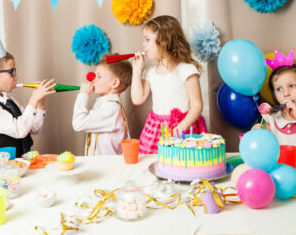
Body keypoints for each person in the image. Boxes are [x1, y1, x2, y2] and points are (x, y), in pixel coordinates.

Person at [0, 21, 56, 158]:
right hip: (3, 171)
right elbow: (19, 130)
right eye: (12, 72)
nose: (16, 77)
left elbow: (34, 128)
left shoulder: (9, 101)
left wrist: (40, 103)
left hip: (22, 165)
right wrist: (33, 99)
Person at [131, 15, 207, 154]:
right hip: (156, 130)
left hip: (183, 128)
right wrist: (137, 71)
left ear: (163, 40)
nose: (143, 44)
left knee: (182, 164)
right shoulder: (150, 72)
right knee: (158, 165)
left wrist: (180, 128)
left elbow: (197, 105)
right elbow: (137, 99)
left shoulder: (186, 70)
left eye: (147, 40)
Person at [72, 57, 132, 156]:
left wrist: (83, 95)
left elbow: (78, 124)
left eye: (99, 77)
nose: (93, 80)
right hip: (101, 164)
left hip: (106, 166)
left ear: (114, 83)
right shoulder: (106, 104)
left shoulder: (110, 108)